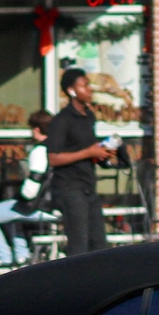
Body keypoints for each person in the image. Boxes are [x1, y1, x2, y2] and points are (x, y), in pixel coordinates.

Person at [46, 67, 115, 254]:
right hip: (69, 188)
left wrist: (101, 154)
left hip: (87, 186)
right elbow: (53, 158)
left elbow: (87, 148)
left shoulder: (88, 117)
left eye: (89, 85)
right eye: (84, 86)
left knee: (99, 244)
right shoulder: (62, 120)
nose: (89, 89)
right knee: (79, 245)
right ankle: (75, 281)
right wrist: (87, 152)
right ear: (71, 91)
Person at [0, 110, 58, 269]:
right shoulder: (59, 148)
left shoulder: (40, 151)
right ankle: (21, 256)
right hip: (56, 205)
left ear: (36, 130)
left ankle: (3, 257)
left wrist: (19, 195)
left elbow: (31, 188)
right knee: (11, 212)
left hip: (40, 208)